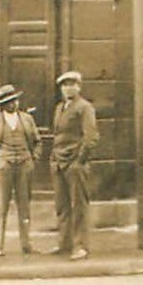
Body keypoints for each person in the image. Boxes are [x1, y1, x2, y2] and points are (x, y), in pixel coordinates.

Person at [0, 83, 41, 257]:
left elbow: (37, 141)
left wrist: (33, 158)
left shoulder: (27, 119)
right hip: (4, 166)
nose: (13, 104)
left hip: (24, 165)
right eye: (8, 102)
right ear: (2, 105)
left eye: (15, 100)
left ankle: (27, 245)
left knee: (24, 206)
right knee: (1, 206)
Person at [48, 70, 99, 259]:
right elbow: (57, 135)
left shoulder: (84, 107)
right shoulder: (60, 108)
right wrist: (54, 158)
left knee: (79, 205)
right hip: (59, 162)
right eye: (64, 85)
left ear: (79, 86)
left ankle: (81, 246)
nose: (68, 88)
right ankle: (64, 243)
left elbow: (91, 137)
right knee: (62, 205)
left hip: (74, 162)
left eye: (71, 84)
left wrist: (80, 161)